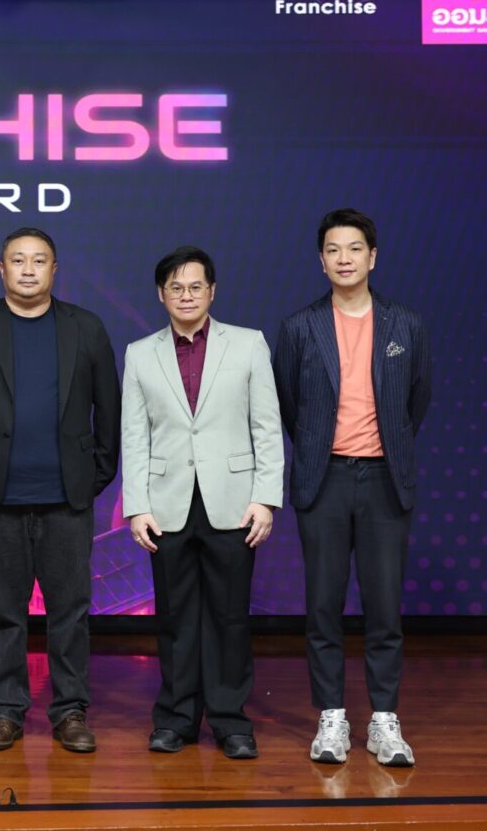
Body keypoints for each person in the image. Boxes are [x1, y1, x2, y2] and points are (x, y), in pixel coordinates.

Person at [0, 228, 121, 753]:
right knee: (4, 610)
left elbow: (109, 410)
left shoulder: (85, 327)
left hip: (67, 498)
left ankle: (70, 711)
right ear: (0, 269)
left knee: (71, 610)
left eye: (38, 261)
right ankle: (6, 710)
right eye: (18, 260)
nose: (28, 269)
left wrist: (94, 477)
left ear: (54, 269)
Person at [272, 208, 431, 768]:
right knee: (323, 606)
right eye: (334, 250)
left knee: (384, 608)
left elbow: (416, 400)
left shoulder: (405, 325)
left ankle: (385, 719)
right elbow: (290, 404)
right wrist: (323, 450)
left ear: (373, 257)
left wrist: (384, 447)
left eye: (355, 248)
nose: (344, 259)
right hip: (326, 480)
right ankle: (332, 717)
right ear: (321, 261)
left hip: (386, 479)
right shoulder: (299, 327)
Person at [121, 246, 282, 759]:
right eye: (176, 287)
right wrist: (136, 505)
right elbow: (134, 435)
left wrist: (265, 499)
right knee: (175, 618)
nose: (186, 296)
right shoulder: (140, 353)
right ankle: (176, 718)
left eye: (195, 287)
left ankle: (231, 721)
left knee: (230, 617)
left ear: (212, 291)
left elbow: (267, 427)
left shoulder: (249, 344)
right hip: (166, 504)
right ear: (161, 294)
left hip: (234, 503)